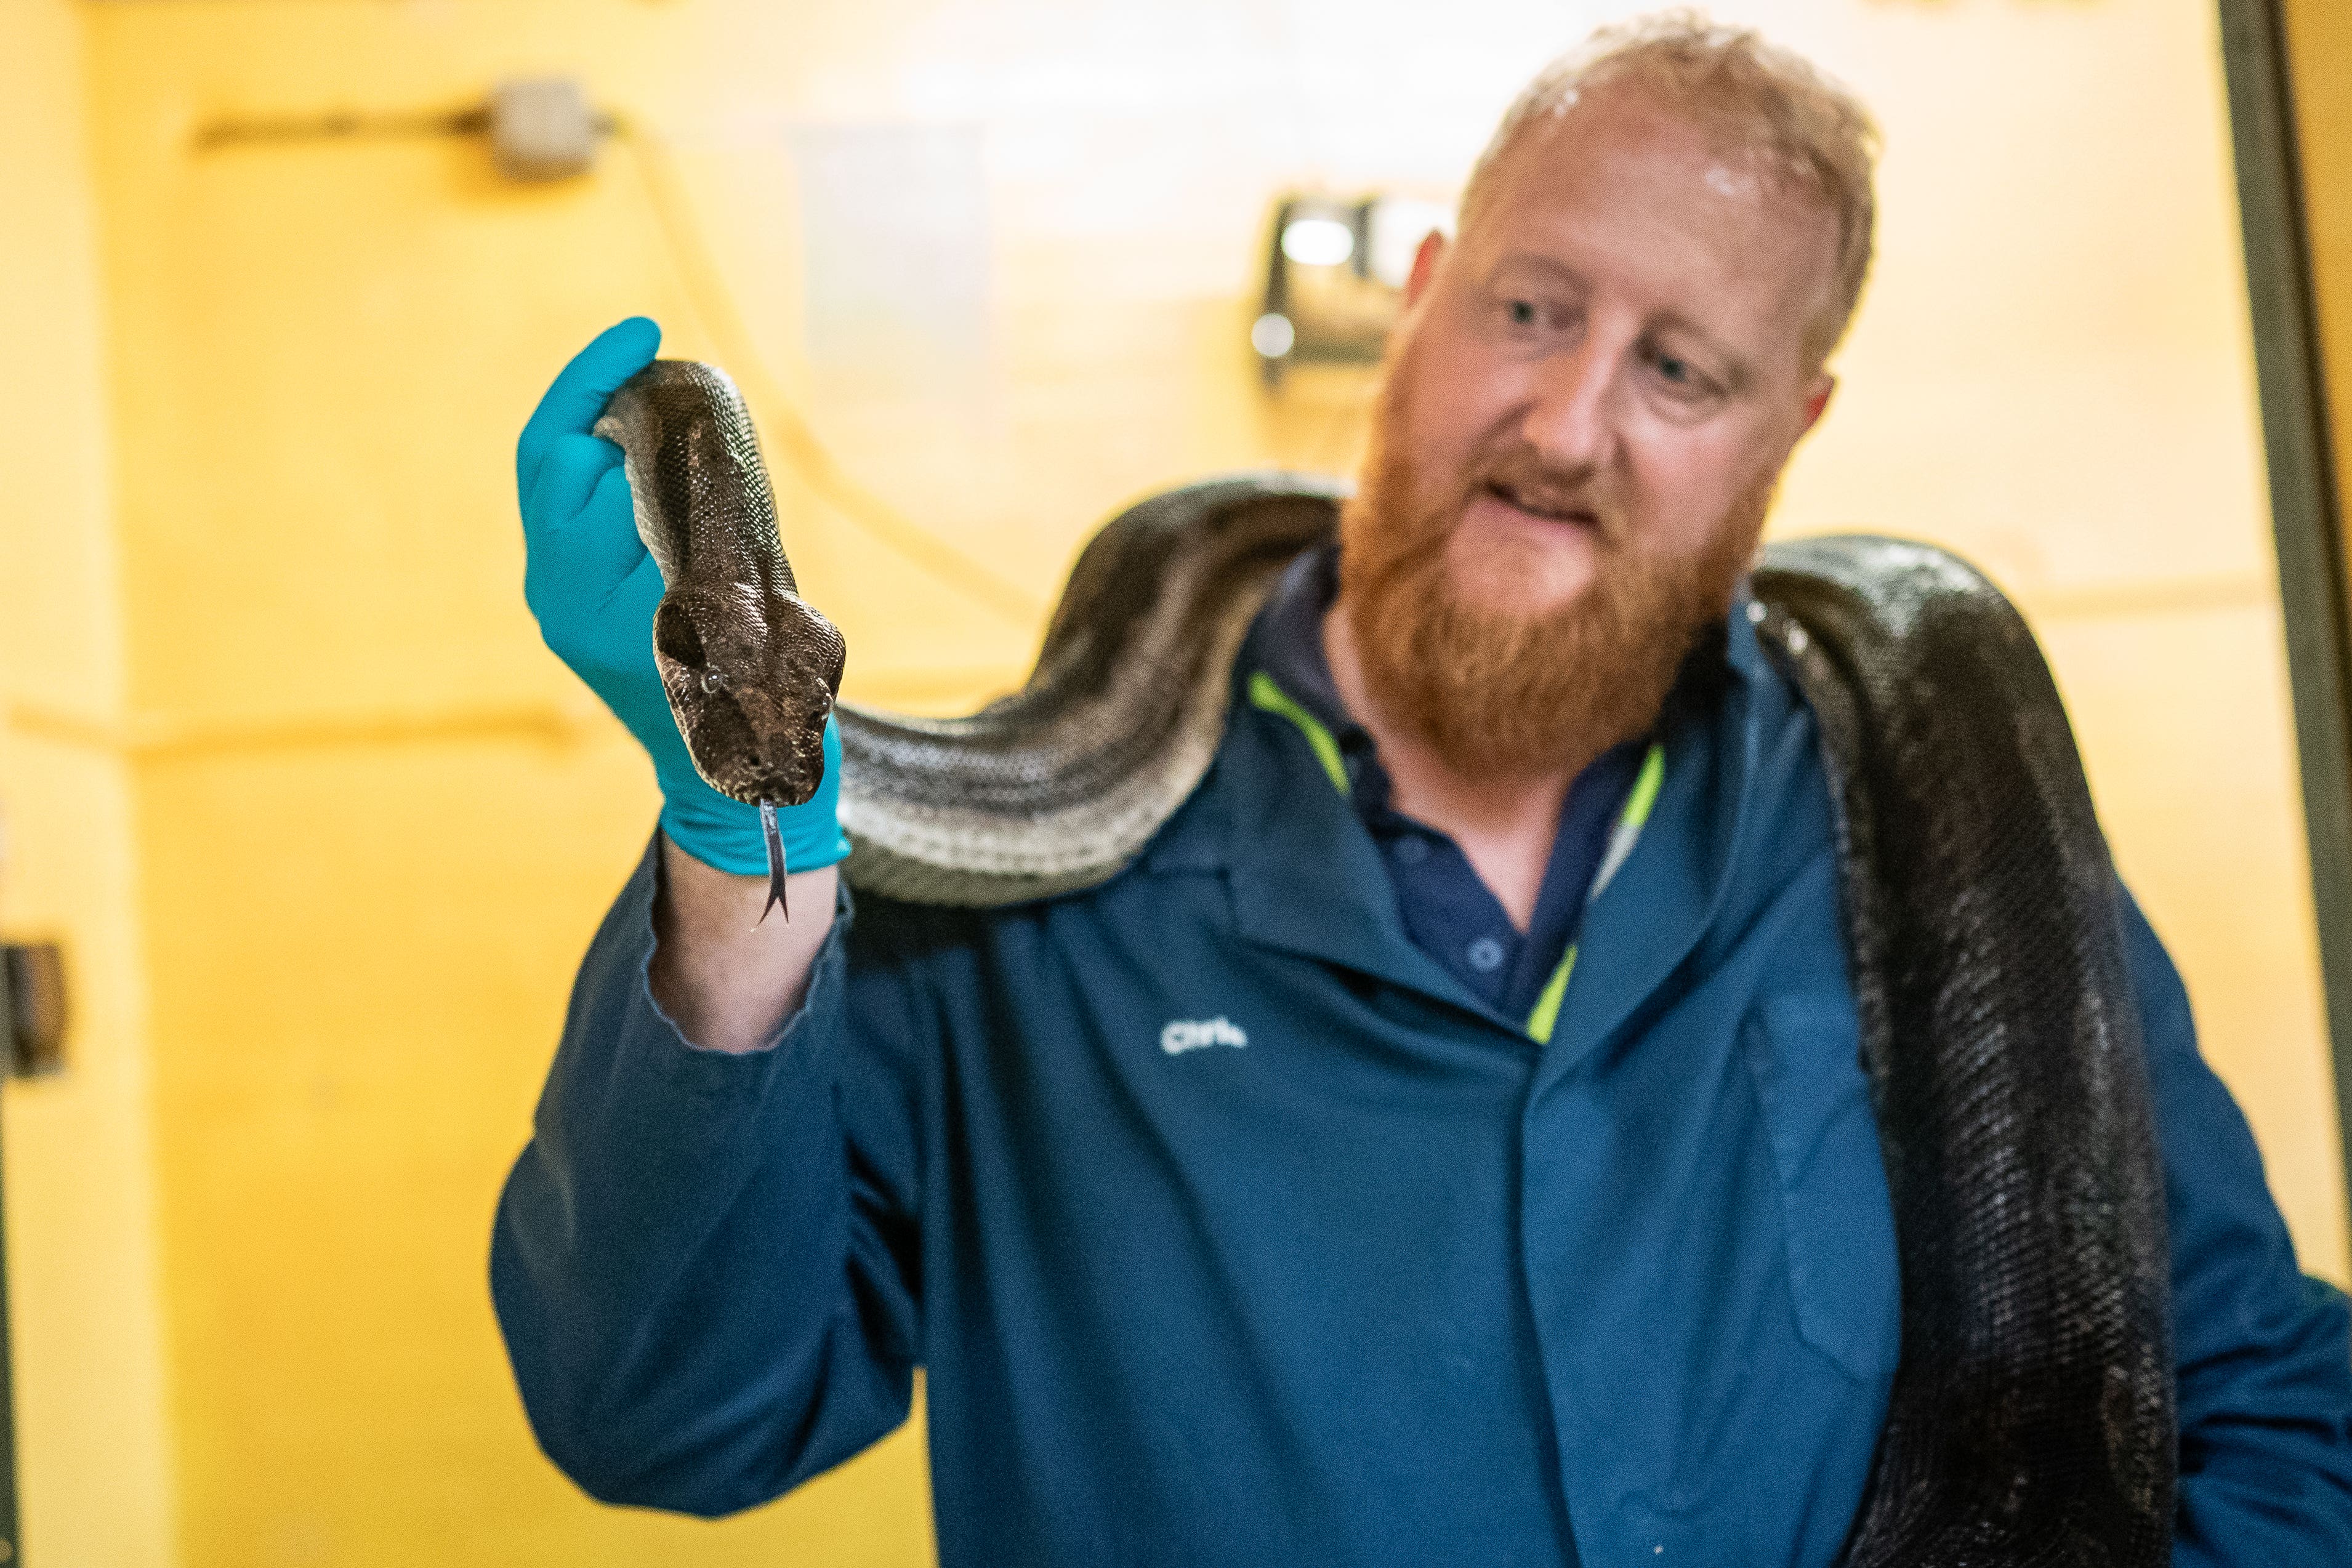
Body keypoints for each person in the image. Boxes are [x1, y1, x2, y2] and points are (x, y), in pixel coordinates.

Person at [492, 15, 2352, 1565]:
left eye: (1681, 369)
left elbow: (2268, 1411)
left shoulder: (1935, 842)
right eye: (1534, 312)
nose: (1565, 427)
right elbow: (661, 1411)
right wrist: (739, 867)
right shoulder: (1004, 898)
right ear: (1429, 298)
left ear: (1791, 438)